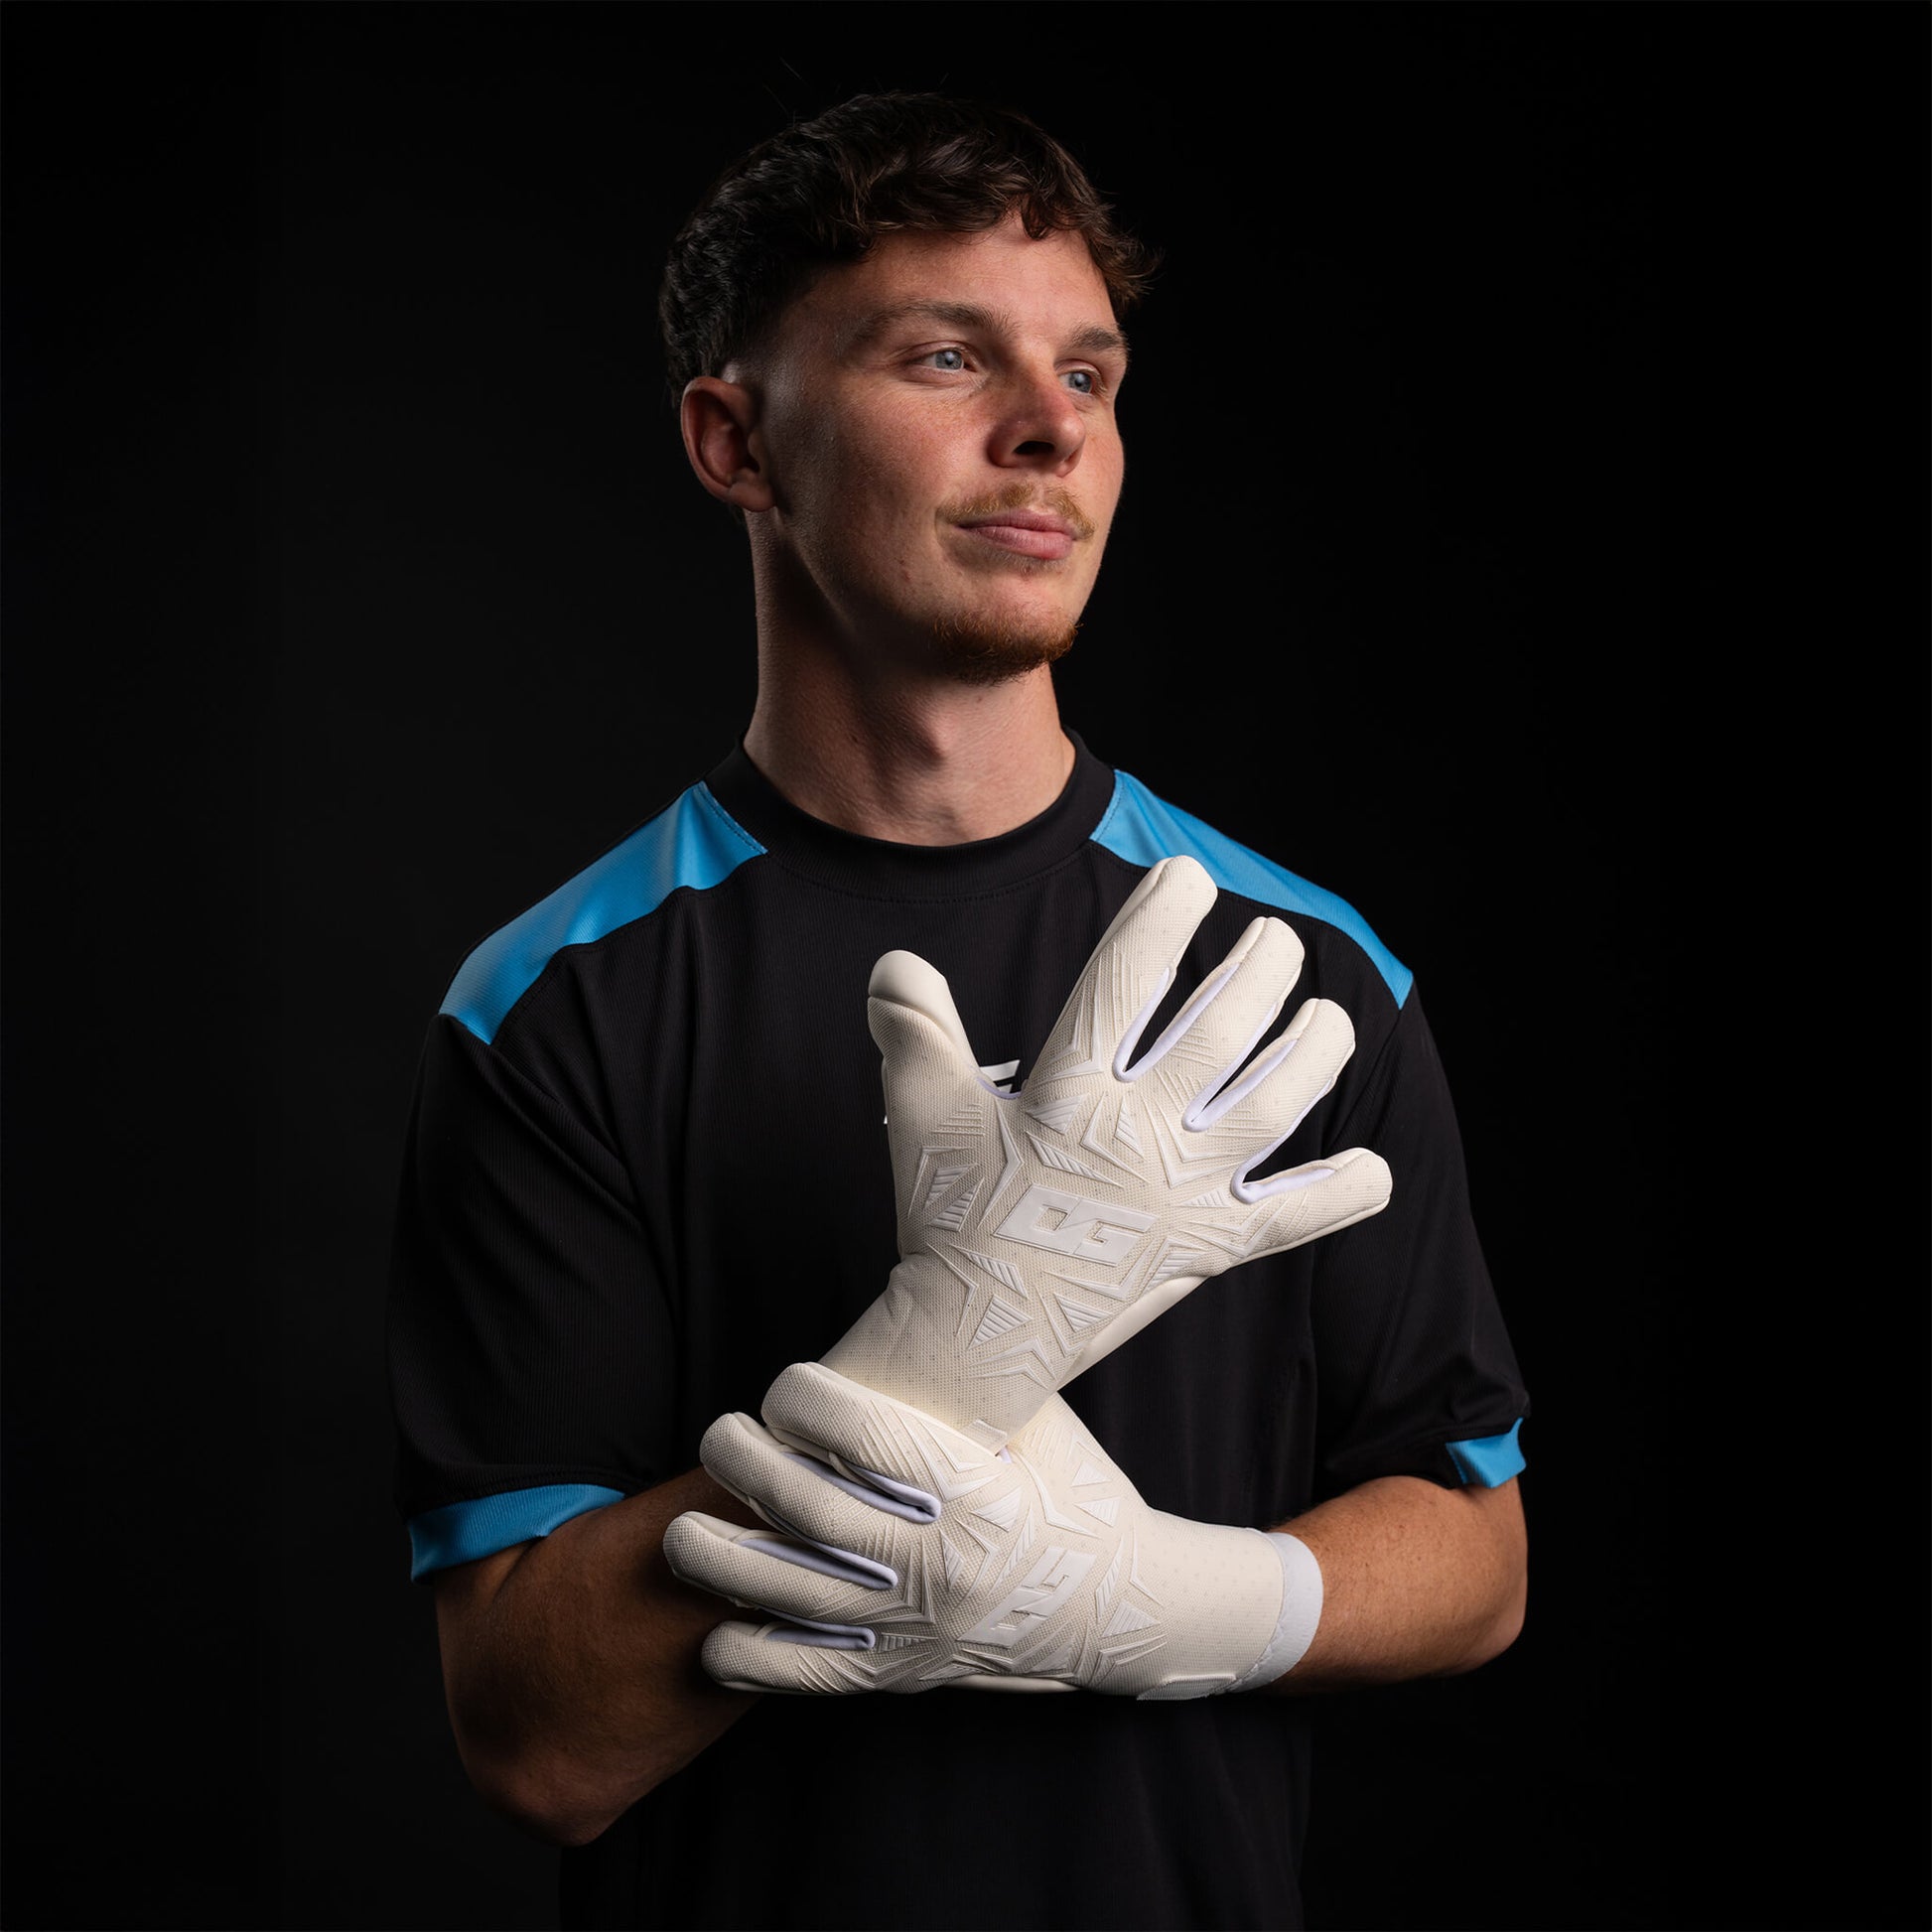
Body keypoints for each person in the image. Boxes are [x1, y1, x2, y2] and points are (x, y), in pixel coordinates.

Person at [387, 92, 1530, 1931]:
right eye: (945, 356)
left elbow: (1475, 1551)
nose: (1050, 427)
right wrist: (951, 1352)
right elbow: (540, 1741)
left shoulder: (1302, 976)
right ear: (735, 440)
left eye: (1088, 373)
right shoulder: (553, 1011)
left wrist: (1162, 1604)